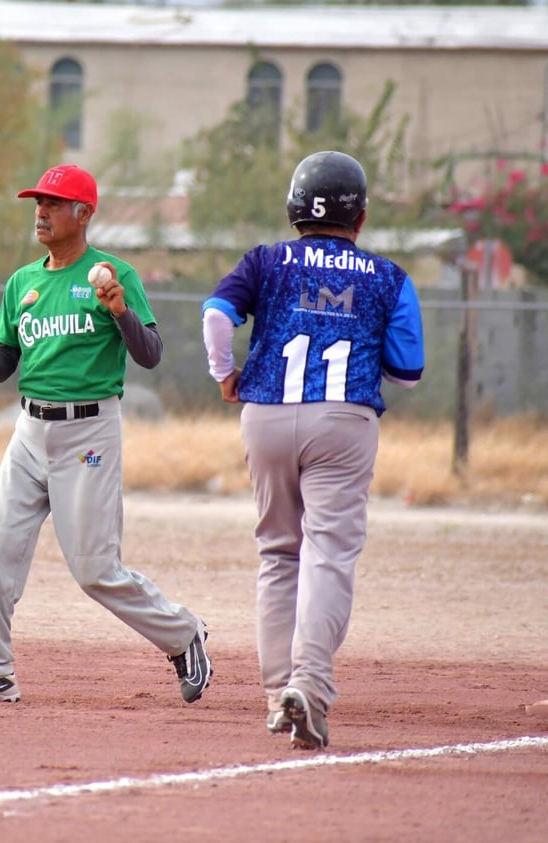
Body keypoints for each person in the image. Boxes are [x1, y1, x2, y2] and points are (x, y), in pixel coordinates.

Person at [0, 164, 211, 705]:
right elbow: (4, 363)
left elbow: (151, 355)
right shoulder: (24, 282)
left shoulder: (113, 274)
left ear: (83, 213)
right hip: (29, 430)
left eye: (53, 203)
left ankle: (183, 636)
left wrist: (121, 312)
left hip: (88, 432)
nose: (40, 212)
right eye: (38, 202)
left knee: (94, 570)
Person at [201, 150, 424, 749]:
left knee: (278, 553)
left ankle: (279, 694)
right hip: (343, 422)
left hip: (266, 414)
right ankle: (310, 686)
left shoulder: (266, 260)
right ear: (362, 216)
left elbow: (218, 315)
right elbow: (408, 371)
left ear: (295, 210)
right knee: (327, 553)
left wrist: (225, 372)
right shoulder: (388, 276)